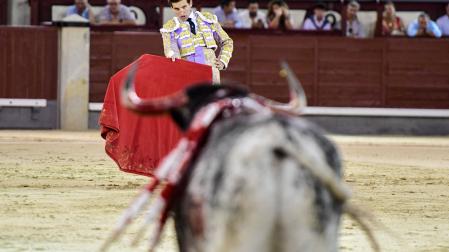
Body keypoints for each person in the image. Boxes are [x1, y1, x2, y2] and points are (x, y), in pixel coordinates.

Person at [160, 0, 233, 83]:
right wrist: (173, 56)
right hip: (187, 74)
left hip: (211, 72)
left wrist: (223, 61)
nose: (181, 12)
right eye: (177, 9)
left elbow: (227, 42)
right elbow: (171, 51)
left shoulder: (207, 20)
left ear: (190, 3)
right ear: (172, 8)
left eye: (184, 7)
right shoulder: (170, 28)